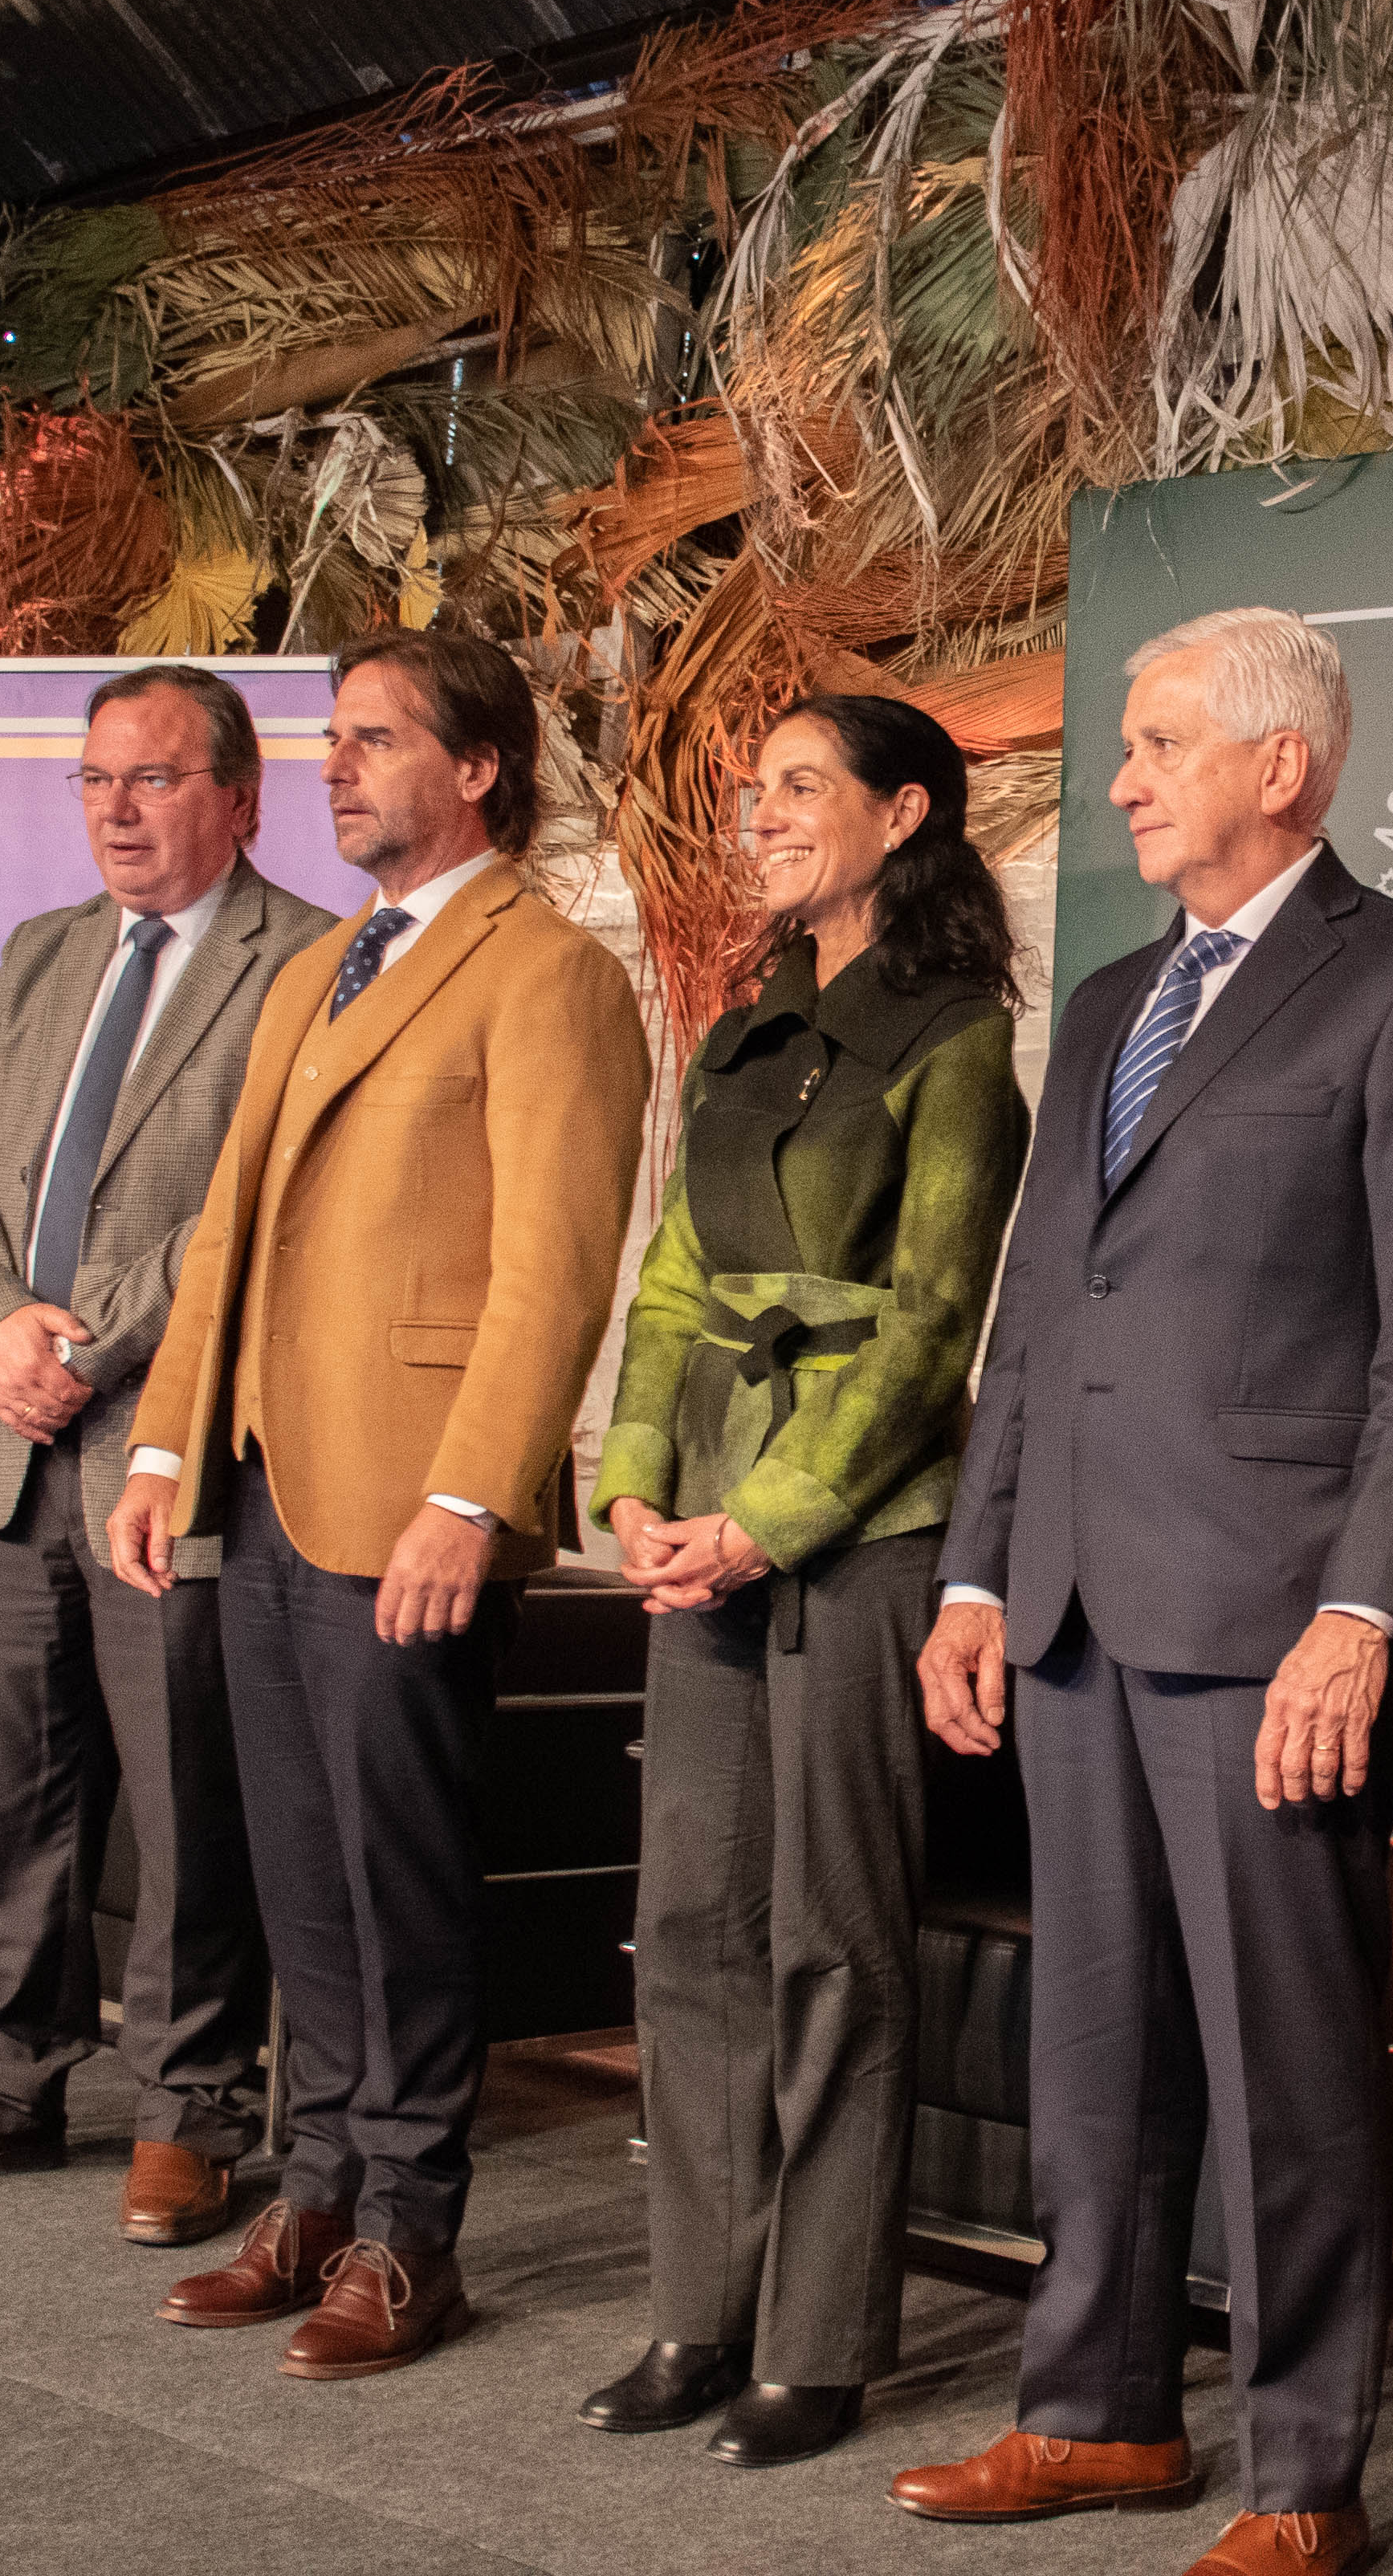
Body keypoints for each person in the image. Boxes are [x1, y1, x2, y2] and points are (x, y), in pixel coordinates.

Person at [894, 608, 1393, 2576]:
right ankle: (1096, 2414)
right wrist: (979, 1566)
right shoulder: (1101, 1000)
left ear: (1284, 763)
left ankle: (1303, 2472)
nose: (1125, 778)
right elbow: (1034, 1315)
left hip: (1272, 1625)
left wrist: (1368, 1612)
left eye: (1162, 741)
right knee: (1094, 2043)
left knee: (1285, 2067)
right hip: (1073, 1598)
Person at [104, 625, 650, 2380]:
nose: (332, 769)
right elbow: (227, 1234)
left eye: (372, 739)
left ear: (478, 766)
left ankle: (414, 2228)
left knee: (403, 1874)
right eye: (328, 740)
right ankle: (321, 2184)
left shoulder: (546, 967)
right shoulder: (314, 967)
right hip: (264, 1481)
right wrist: (164, 1447)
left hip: (409, 1502)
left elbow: (554, 1271)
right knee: (301, 1873)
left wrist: (472, 1496)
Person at [0, 665, 334, 2244]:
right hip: (9, 1445)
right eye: (98, 778)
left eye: (155, 778)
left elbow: (254, 1199)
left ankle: (188, 2112)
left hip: (171, 1448)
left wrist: (81, 1336)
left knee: (187, 1801)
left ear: (241, 798)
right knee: (17, 1788)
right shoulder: (45, 952)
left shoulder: (305, 961)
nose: (115, 807)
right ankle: (1, 2081)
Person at [578, 693, 1033, 2471]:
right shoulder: (740, 1023)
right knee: (691, 1926)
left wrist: (768, 1517)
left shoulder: (959, 1039)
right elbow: (673, 1280)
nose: (760, 813)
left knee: (835, 1939)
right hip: (695, 1528)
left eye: (797, 785)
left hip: (862, 1526)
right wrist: (627, 1486)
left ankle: (821, 2338)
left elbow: (933, 1329)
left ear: (901, 811)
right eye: (752, 787)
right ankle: (701, 2308)